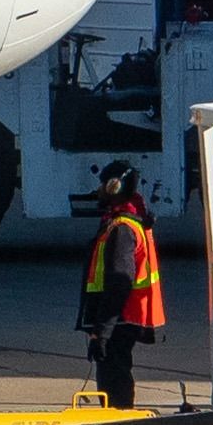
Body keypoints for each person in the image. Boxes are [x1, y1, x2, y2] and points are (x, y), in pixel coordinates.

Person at [77, 164, 163, 407]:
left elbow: (118, 284)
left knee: (114, 378)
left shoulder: (122, 229)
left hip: (119, 320)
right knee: (117, 373)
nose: (98, 191)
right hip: (124, 318)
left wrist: (101, 333)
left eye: (102, 185)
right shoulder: (129, 222)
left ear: (113, 187)